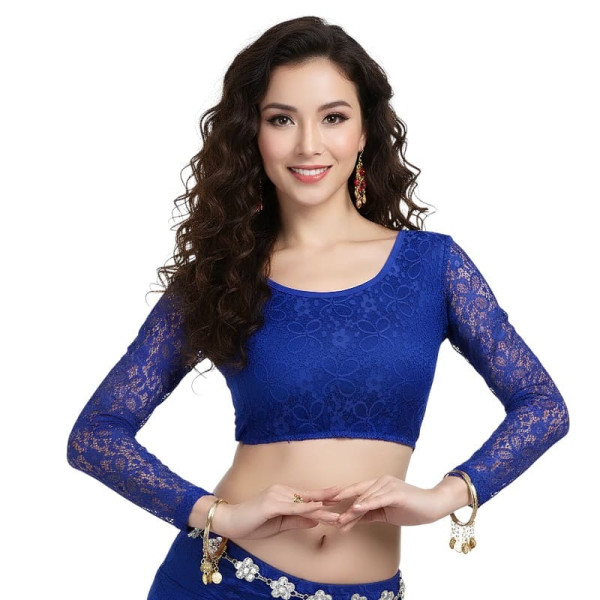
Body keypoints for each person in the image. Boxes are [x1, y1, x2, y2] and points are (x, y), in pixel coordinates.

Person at [66, 15, 570, 600]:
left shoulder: (433, 267)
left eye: (333, 117)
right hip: (222, 582)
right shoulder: (220, 274)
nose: (309, 144)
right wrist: (219, 515)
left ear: (364, 131)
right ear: (252, 134)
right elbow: (95, 436)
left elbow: (543, 407)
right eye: (282, 119)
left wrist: (445, 496)